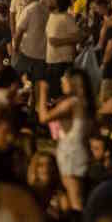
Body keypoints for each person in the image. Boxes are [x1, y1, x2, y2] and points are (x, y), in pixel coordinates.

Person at [36, 67, 91, 212]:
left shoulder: (72, 102)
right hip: (77, 152)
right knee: (77, 195)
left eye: (65, 79)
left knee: (75, 199)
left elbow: (44, 118)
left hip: (71, 155)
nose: (62, 82)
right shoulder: (84, 102)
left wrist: (42, 92)